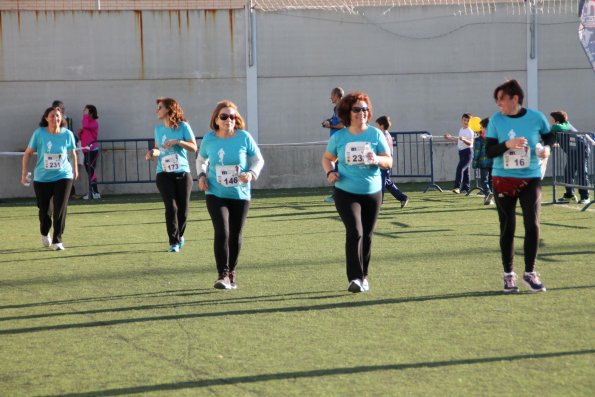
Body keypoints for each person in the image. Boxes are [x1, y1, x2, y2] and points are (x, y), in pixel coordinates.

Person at [485, 79, 554, 293]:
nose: (498, 104)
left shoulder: (536, 117)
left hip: (530, 178)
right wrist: (508, 144)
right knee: (508, 227)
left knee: (532, 224)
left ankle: (530, 273)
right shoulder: (496, 120)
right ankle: (508, 275)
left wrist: (546, 148)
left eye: (501, 99)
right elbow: (489, 151)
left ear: (514, 98)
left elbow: (550, 136)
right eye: (496, 100)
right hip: (503, 179)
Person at [321, 91, 392, 293]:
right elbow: (327, 158)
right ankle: (355, 278)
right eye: (357, 109)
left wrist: (376, 160)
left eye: (365, 109)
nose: (362, 113)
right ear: (347, 112)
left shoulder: (375, 134)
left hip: (372, 192)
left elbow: (388, 161)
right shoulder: (340, 136)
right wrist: (330, 172)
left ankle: (364, 275)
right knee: (355, 232)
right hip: (346, 192)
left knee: (367, 236)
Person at [196, 100, 264, 290]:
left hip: (240, 194)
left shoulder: (244, 137)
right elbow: (201, 158)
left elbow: (259, 159)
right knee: (222, 231)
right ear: (216, 120)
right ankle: (222, 275)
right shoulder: (209, 139)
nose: (228, 120)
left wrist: (251, 173)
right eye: (224, 116)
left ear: (237, 120)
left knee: (235, 234)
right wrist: (201, 175)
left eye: (232, 117)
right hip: (215, 192)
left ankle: (231, 271)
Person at [21, 107, 78, 250]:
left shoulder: (67, 134)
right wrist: (24, 173)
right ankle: (44, 232)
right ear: (46, 118)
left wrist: (75, 170)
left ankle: (57, 240)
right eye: (52, 116)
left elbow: (73, 153)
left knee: (60, 208)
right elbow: (27, 153)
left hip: (63, 176)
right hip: (42, 178)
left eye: (57, 116)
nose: (55, 118)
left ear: (61, 118)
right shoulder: (39, 134)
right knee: (44, 210)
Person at [145, 98, 197, 252]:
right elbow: (158, 149)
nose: (157, 110)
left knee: (183, 209)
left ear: (169, 109)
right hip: (163, 173)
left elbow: (194, 147)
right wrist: (151, 153)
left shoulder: (183, 126)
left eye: (160, 107)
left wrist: (177, 141)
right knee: (171, 207)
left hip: (182, 172)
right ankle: (173, 242)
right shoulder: (158, 129)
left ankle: (180, 236)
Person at [550, 111, 591, 204]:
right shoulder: (558, 128)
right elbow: (552, 139)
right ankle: (570, 195)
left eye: (551, 119)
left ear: (556, 120)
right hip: (572, 151)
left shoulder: (562, 126)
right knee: (568, 172)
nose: (550, 121)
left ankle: (585, 197)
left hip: (581, 150)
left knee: (582, 173)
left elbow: (555, 129)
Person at [375, 115, 409, 208]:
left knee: (381, 183)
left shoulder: (383, 136)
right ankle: (402, 198)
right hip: (385, 162)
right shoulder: (387, 135)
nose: (376, 127)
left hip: (384, 163)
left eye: (377, 125)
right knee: (387, 182)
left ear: (381, 126)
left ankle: (378, 202)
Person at [321, 87, 345, 203]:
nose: (330, 97)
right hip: (338, 141)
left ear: (336, 95)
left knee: (337, 168)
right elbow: (337, 121)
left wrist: (329, 126)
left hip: (340, 141)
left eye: (332, 95)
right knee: (337, 167)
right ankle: (338, 195)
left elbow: (342, 125)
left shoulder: (341, 107)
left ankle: (338, 195)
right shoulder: (338, 108)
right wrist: (329, 121)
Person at [444, 113, 474, 194]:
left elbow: (470, 143)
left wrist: (464, 140)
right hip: (461, 152)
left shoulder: (470, 131)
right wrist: (450, 138)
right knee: (465, 171)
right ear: (462, 120)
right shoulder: (461, 130)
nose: (466, 122)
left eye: (468, 121)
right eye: (465, 120)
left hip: (468, 152)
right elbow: (458, 140)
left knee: (460, 168)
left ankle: (457, 187)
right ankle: (466, 188)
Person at [78, 105, 101, 199]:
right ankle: (93, 192)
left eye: (86, 110)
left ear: (91, 112)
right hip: (86, 150)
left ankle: (95, 192)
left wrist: (85, 116)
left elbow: (86, 125)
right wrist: (80, 133)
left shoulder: (94, 123)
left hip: (92, 150)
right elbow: (83, 134)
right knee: (89, 170)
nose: (84, 111)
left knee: (90, 169)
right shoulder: (87, 121)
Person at [472, 117, 494, 205]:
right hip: (493, 163)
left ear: (485, 128)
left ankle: (488, 193)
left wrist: (474, 164)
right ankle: (489, 198)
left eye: (481, 127)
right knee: (491, 180)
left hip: (483, 163)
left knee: (484, 180)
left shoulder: (478, 140)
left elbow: (477, 153)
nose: (480, 129)